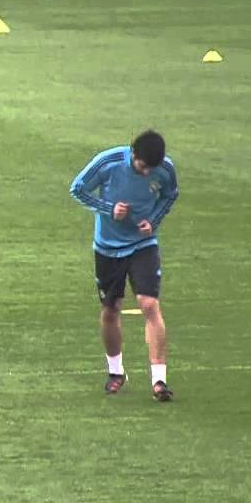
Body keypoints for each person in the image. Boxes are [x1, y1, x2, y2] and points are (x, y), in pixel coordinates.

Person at [69, 129, 179, 402]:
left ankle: (159, 380)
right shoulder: (108, 163)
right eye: (142, 167)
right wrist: (109, 209)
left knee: (149, 304)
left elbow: (170, 195)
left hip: (143, 245)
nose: (146, 173)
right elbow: (78, 189)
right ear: (133, 154)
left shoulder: (164, 169)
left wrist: (153, 220)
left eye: (150, 169)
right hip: (108, 246)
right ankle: (116, 372)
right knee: (110, 309)